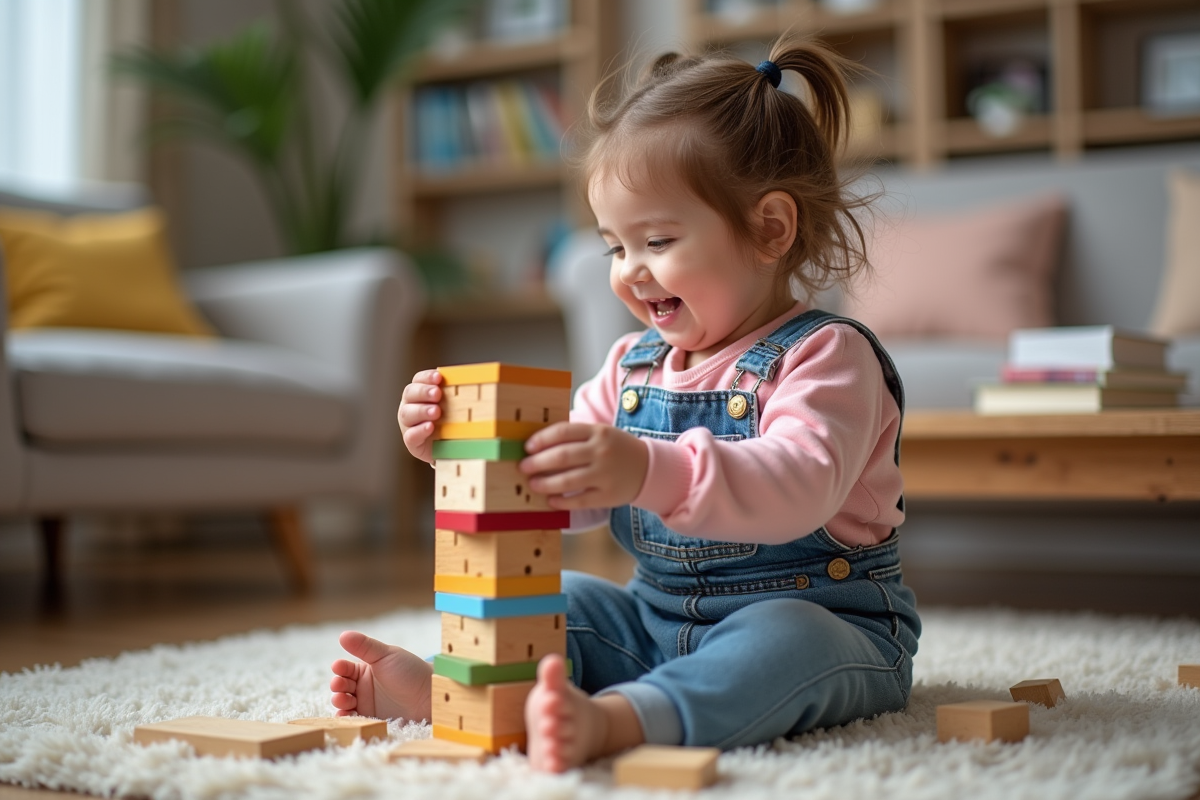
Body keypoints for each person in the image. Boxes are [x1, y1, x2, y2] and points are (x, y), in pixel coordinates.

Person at [330, 36, 920, 774]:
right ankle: (465, 689)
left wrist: (647, 469)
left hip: (833, 627)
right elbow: (562, 497)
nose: (631, 272)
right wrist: (464, 451)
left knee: (784, 638)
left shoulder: (826, 356)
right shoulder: (630, 365)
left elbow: (797, 488)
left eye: (658, 239)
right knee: (563, 594)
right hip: (651, 622)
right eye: (615, 247)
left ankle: (627, 719)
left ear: (771, 229)